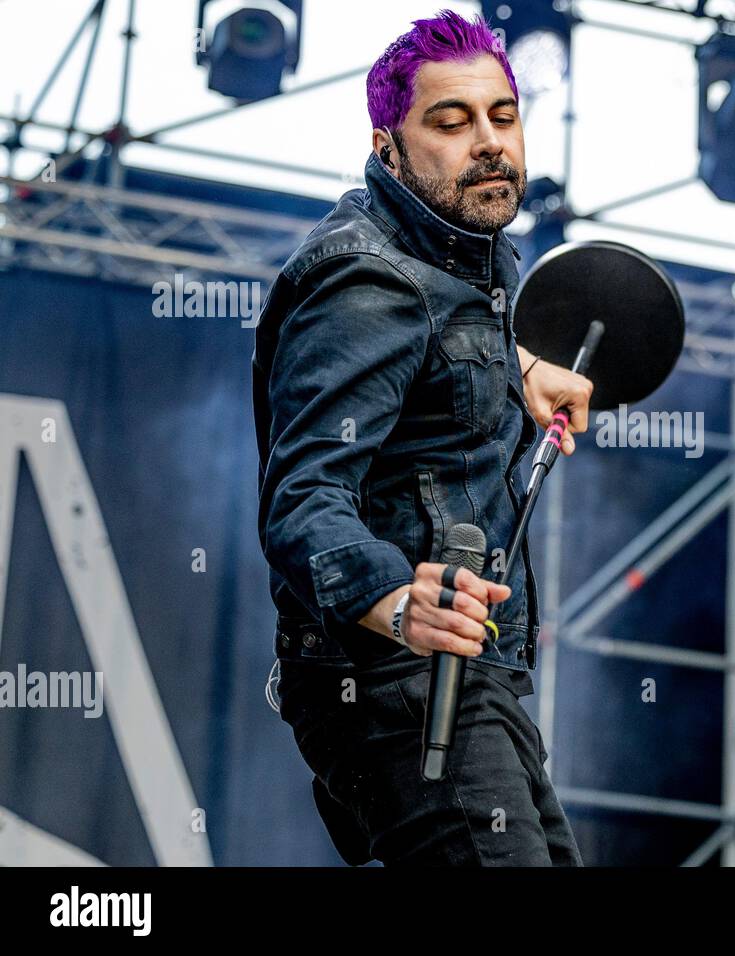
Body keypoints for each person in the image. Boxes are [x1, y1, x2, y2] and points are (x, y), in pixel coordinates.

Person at [252, 10, 591, 866]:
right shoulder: (363, 278)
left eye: (502, 117)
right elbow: (302, 506)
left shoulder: (466, 264)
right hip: (398, 684)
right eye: (450, 121)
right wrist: (404, 606)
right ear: (388, 145)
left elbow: (434, 353)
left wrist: (517, 369)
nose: (487, 141)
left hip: (469, 681)